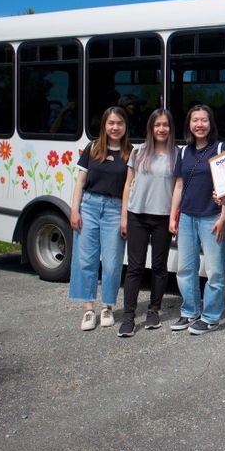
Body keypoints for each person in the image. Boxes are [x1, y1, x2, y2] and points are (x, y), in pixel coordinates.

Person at [69, 106, 132, 330]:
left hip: (115, 209)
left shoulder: (130, 153)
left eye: (119, 123)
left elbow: (128, 187)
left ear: (125, 126)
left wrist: (124, 217)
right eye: (111, 123)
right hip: (89, 207)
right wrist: (74, 210)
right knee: (86, 260)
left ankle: (107, 307)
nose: (115, 127)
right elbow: (80, 181)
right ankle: (88, 309)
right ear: (104, 125)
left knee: (112, 263)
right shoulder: (93, 147)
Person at [169, 105, 225, 335]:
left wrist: (224, 215)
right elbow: (179, 185)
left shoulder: (221, 148)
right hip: (186, 217)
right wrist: (173, 215)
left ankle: (211, 317)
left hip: (212, 217)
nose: (199, 125)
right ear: (189, 124)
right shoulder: (184, 151)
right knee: (185, 269)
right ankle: (190, 312)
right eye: (195, 120)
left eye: (204, 120)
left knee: (214, 271)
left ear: (211, 124)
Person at [117, 109, 176, 337]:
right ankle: (128, 317)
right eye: (157, 125)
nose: (161, 129)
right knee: (135, 268)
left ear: (170, 128)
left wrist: (174, 217)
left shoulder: (176, 154)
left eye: (165, 125)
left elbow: (178, 187)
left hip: (163, 217)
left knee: (160, 267)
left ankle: (153, 310)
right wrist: (124, 216)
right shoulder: (138, 152)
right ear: (151, 127)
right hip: (137, 215)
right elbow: (127, 185)